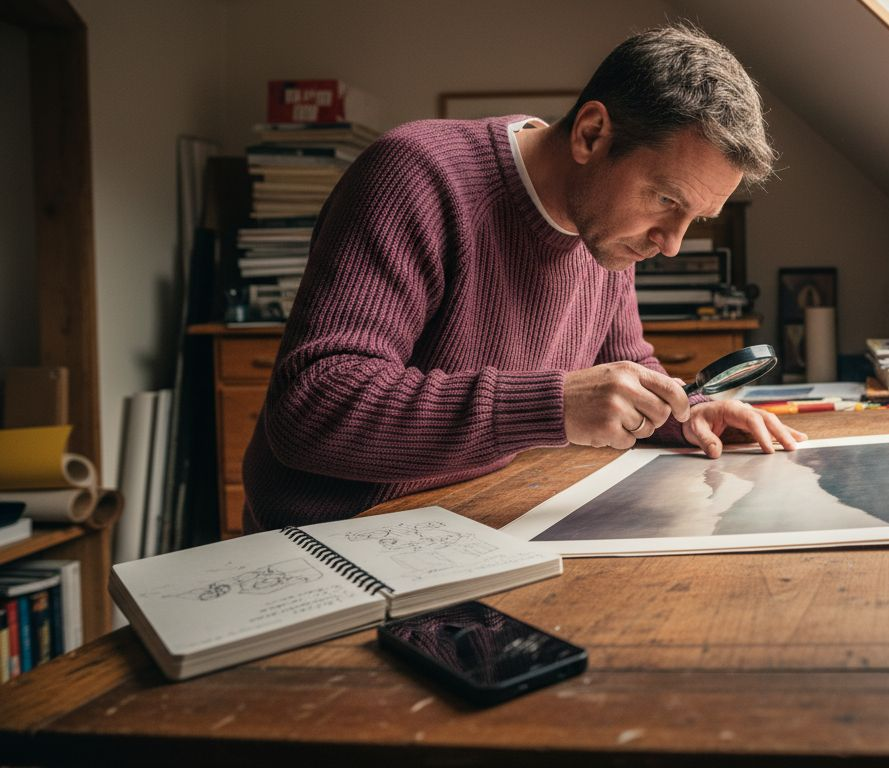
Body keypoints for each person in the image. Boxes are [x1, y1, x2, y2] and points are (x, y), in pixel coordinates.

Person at [243, 23, 807, 532]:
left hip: (480, 514)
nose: (671, 243)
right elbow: (311, 407)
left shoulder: (603, 234)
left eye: (696, 220)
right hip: (338, 534)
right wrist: (552, 404)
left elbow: (627, 364)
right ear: (591, 134)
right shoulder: (416, 175)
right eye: (665, 200)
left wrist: (684, 413)